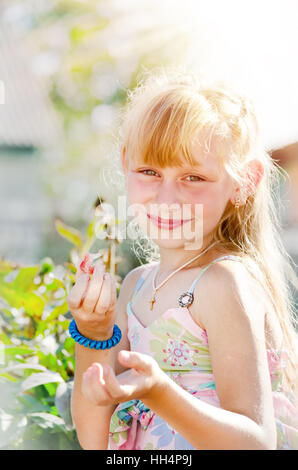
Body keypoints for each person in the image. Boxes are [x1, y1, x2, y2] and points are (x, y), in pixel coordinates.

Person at [68, 68, 298, 450]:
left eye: (193, 177)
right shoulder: (136, 286)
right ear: (126, 164)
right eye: (149, 172)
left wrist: (160, 392)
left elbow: (256, 443)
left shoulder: (223, 283)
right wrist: (91, 333)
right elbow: (94, 441)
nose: (167, 197)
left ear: (245, 181)